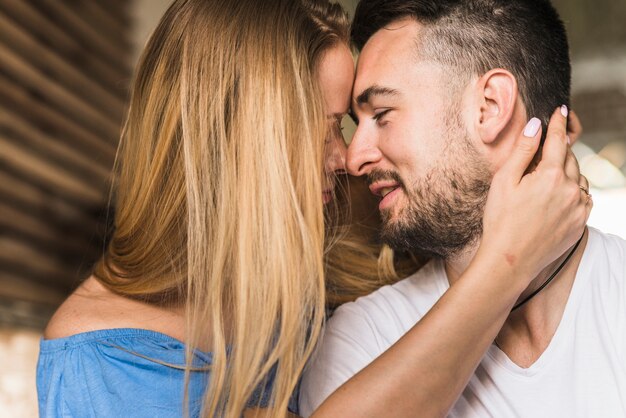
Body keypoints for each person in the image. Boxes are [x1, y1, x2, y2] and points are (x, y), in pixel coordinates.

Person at [37, 0, 589, 417]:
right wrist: (508, 261)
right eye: (328, 127)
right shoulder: (104, 362)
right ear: (243, 135)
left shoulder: (319, 266)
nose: (347, 157)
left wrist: (531, 159)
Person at [299, 0, 625, 417]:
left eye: (381, 114)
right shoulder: (363, 340)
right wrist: (510, 262)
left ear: (489, 106)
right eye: (353, 122)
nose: (354, 157)